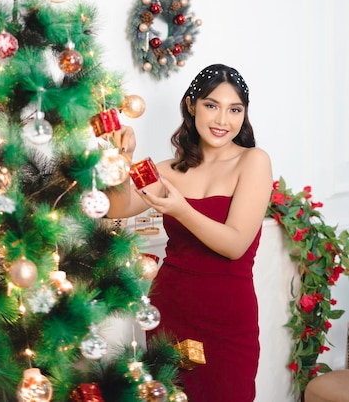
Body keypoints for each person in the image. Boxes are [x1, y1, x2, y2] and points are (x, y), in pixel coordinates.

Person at [107, 63, 273, 402]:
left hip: (228, 322)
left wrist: (182, 209)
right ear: (192, 105)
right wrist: (123, 155)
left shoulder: (253, 161)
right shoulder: (169, 170)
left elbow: (235, 244)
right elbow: (116, 208)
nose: (222, 120)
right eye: (212, 105)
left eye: (234, 109)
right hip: (171, 313)